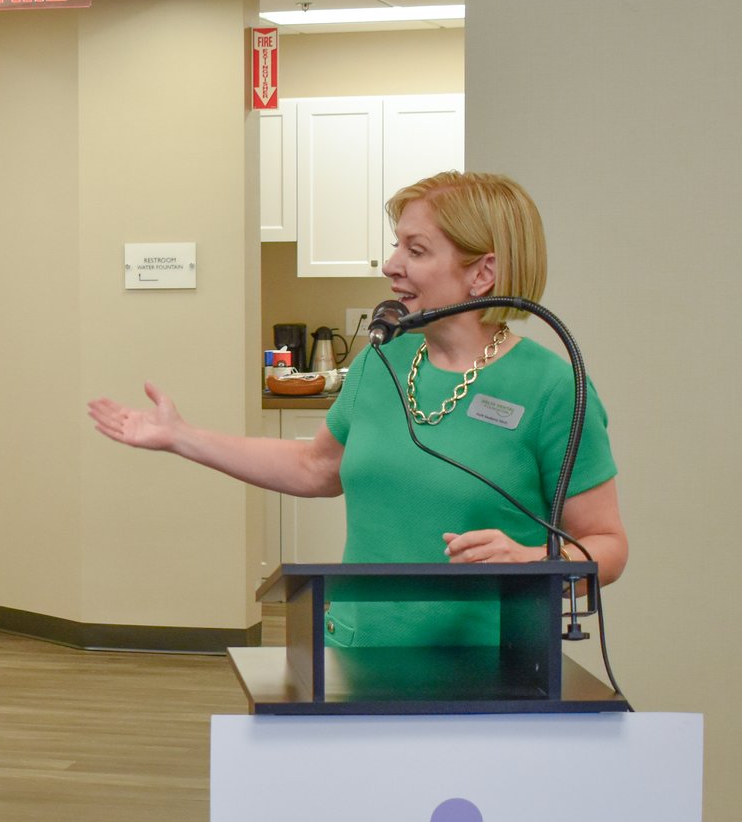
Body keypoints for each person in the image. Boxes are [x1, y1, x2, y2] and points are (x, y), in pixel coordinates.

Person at [88, 171, 626, 647]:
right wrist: (181, 436)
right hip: (355, 649)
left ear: (481, 274)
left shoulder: (554, 387)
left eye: (416, 251)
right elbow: (316, 468)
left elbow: (607, 547)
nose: (392, 265)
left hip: (492, 667)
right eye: (397, 247)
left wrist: (532, 559)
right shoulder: (383, 357)